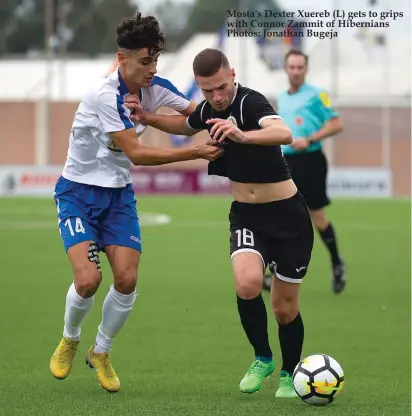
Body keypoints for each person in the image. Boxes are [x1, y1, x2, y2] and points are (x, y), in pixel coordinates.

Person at [126, 48, 314, 398]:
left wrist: (242, 135)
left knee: (285, 309)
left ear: (233, 75)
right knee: (247, 283)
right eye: (208, 90)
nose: (216, 96)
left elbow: (283, 133)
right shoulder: (210, 107)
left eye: (221, 87)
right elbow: (185, 123)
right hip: (246, 214)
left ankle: (290, 373)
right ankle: (262, 358)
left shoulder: (249, 102)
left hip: (289, 216)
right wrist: (148, 118)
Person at [49, 14, 222, 393]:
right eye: (145, 62)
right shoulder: (103, 95)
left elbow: (195, 114)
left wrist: (230, 114)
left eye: (156, 60)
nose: (152, 69)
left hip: (118, 194)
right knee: (89, 279)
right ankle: (70, 338)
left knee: (126, 280)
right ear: (121, 59)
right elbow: (137, 154)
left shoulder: (155, 86)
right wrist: (194, 151)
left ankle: (101, 351)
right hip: (77, 192)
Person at [263, 49, 346, 294]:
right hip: (286, 163)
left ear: (306, 69)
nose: (296, 71)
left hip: (311, 161)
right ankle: (275, 271)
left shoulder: (319, 95)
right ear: (286, 69)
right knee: (281, 216)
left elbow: (337, 124)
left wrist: (309, 139)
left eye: (300, 67)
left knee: (317, 218)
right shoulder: (282, 97)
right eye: (292, 67)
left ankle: (337, 263)